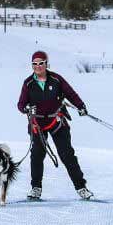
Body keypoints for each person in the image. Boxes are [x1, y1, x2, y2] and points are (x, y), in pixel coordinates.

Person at [17, 50, 93, 200]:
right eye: (35, 64)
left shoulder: (56, 79)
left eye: (41, 63)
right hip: (37, 124)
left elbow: (71, 93)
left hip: (57, 122)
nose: (38, 66)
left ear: (46, 64)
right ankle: (36, 189)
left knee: (67, 155)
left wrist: (81, 106)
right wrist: (26, 109)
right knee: (37, 155)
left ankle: (81, 188)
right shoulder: (28, 83)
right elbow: (21, 104)